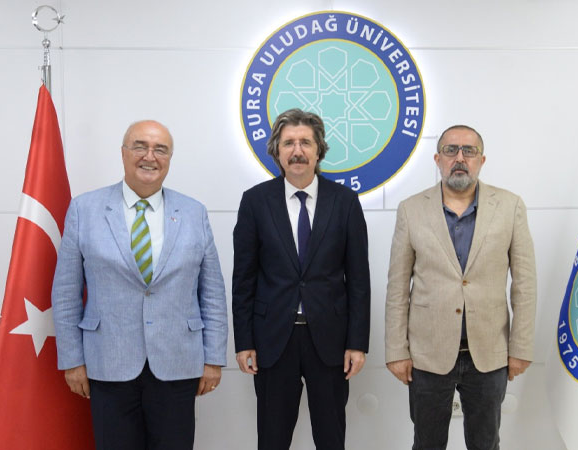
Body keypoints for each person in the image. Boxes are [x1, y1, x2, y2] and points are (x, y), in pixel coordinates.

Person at [52, 120, 228, 450]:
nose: (150, 156)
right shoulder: (84, 209)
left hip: (178, 363)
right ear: (123, 153)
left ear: (169, 158)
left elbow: (212, 293)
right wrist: (72, 360)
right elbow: (65, 293)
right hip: (108, 363)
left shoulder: (194, 212)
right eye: (140, 146)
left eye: (160, 149)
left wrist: (214, 358)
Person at [384, 125, 536, 450]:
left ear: (482, 160)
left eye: (469, 151)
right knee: (427, 444)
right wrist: (397, 350)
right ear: (437, 159)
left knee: (486, 444)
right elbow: (397, 287)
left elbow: (525, 285)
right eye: (451, 150)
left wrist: (520, 347)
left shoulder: (510, 206)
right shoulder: (411, 210)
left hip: (489, 354)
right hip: (427, 354)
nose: (460, 158)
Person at [232, 108, 371, 450]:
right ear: (277, 151)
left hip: (330, 340)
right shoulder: (255, 202)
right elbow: (244, 279)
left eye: (305, 142)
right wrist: (244, 341)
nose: (297, 151)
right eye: (289, 143)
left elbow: (358, 279)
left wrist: (357, 342)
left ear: (319, 150)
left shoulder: (345, 202)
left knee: (331, 437)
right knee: (272, 439)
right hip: (273, 340)